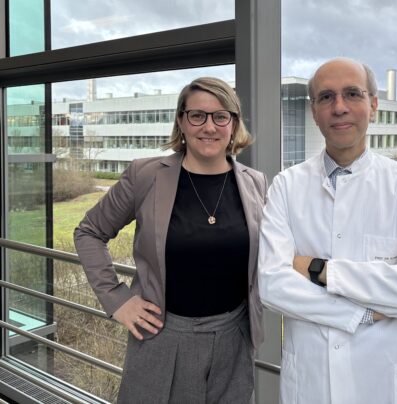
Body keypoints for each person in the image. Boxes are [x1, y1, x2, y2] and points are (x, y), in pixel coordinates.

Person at [258, 58, 397, 404]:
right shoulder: (286, 186)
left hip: (391, 385)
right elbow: (272, 286)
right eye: (326, 97)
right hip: (313, 385)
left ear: (373, 106)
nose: (339, 107)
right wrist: (367, 311)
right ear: (314, 111)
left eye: (352, 94)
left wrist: (318, 269)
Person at [75, 77, 267, 403]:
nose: (209, 126)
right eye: (197, 115)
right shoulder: (146, 175)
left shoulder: (255, 183)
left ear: (234, 124)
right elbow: (89, 232)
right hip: (161, 335)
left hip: (234, 340)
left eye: (221, 116)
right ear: (181, 121)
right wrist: (117, 299)